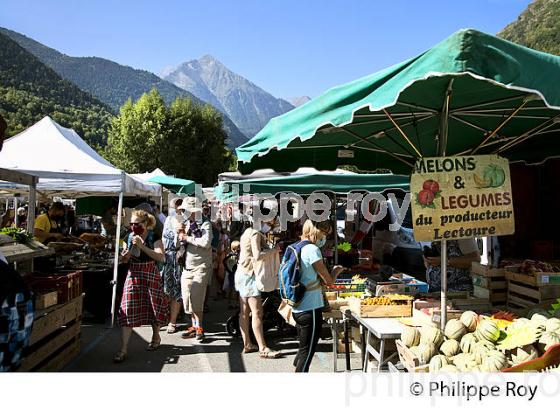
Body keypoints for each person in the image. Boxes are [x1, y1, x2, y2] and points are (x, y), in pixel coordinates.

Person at [113, 209, 168, 363]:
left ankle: (156, 336)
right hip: (134, 273)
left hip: (150, 271)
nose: (133, 226)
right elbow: (124, 259)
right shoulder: (128, 236)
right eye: (131, 224)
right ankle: (123, 349)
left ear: (144, 223)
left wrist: (143, 247)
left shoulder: (153, 236)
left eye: (136, 224)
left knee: (152, 306)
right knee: (127, 307)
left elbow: (161, 257)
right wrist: (124, 256)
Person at [292, 220, 344, 372]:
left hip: (298, 306)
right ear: (316, 231)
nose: (325, 238)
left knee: (302, 350)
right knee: (307, 353)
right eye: (324, 234)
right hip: (310, 308)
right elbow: (328, 281)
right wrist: (335, 271)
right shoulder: (312, 250)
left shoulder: (297, 246)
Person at [235, 220, 282, 358]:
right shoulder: (255, 233)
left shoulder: (247, 232)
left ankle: (248, 344)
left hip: (242, 273)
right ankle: (263, 347)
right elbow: (257, 255)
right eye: (269, 221)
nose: (270, 224)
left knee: (244, 313)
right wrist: (274, 250)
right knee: (257, 312)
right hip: (249, 275)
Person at [179, 197, 213, 342]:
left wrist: (187, 238)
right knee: (187, 298)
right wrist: (179, 235)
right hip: (187, 266)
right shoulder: (186, 224)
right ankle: (193, 326)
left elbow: (205, 242)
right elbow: (178, 243)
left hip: (201, 266)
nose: (184, 213)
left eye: (186, 210)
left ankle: (199, 327)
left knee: (196, 297)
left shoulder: (205, 224)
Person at [161, 197, 184, 334]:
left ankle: (173, 321)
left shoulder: (188, 221)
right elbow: (165, 235)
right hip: (168, 257)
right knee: (166, 289)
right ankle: (167, 316)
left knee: (178, 289)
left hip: (180, 258)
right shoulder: (170, 219)